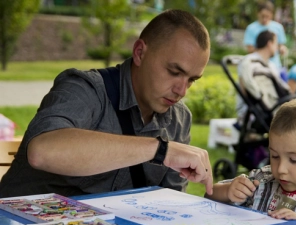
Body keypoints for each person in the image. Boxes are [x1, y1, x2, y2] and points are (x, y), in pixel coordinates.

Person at [0, 9, 214, 198]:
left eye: (192, 80)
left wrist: (218, 198)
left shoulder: (179, 118)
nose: (182, 90)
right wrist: (159, 150)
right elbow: (42, 151)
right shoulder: (84, 88)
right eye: (174, 72)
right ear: (140, 53)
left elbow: (169, 205)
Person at [236, 30, 290, 127]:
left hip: (268, 110)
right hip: (257, 113)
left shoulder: (270, 65)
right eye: (276, 44)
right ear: (269, 43)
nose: (277, 48)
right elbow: (247, 92)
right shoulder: (249, 62)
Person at [243, 1, 287, 70]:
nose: (264, 19)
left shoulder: (278, 28)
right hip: (257, 66)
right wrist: (266, 50)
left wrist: (282, 49)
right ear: (258, 13)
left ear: (272, 15)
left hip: (275, 66)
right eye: (262, 16)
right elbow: (250, 49)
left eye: (267, 16)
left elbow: (281, 45)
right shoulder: (251, 28)